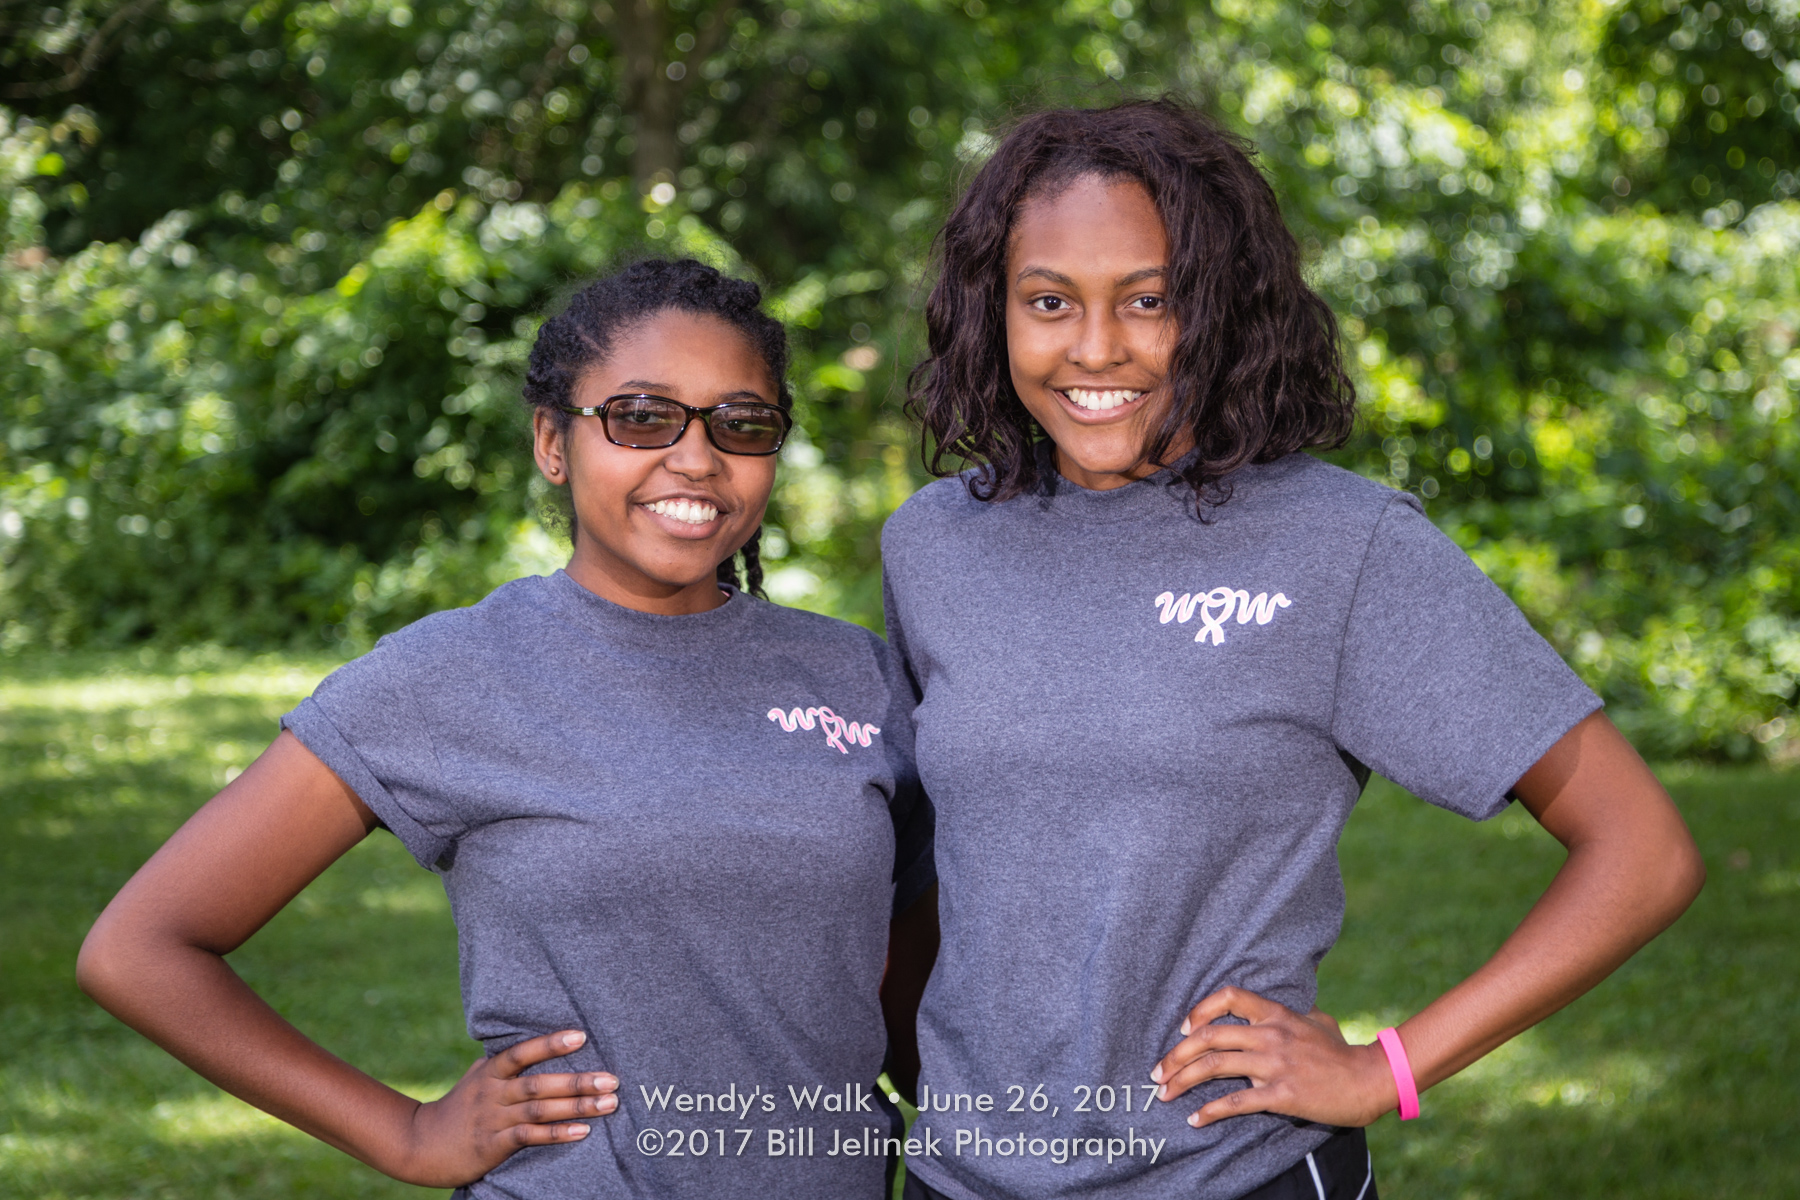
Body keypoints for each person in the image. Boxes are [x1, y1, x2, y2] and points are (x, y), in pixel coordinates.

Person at [882, 99, 1704, 1200]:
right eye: (1049, 301)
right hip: (960, 1180)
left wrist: (1388, 1069)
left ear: (1221, 306)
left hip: (1231, 1174)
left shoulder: (1342, 546)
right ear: (993, 312)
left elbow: (1642, 851)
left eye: (1150, 300)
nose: (1096, 347)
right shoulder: (934, 544)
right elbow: (926, 865)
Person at [78, 258, 937, 1199]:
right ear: (552, 442)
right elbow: (139, 949)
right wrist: (406, 1134)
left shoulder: (857, 676)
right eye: (641, 416)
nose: (697, 457)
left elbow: (907, 989)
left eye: (741, 424)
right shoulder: (452, 675)